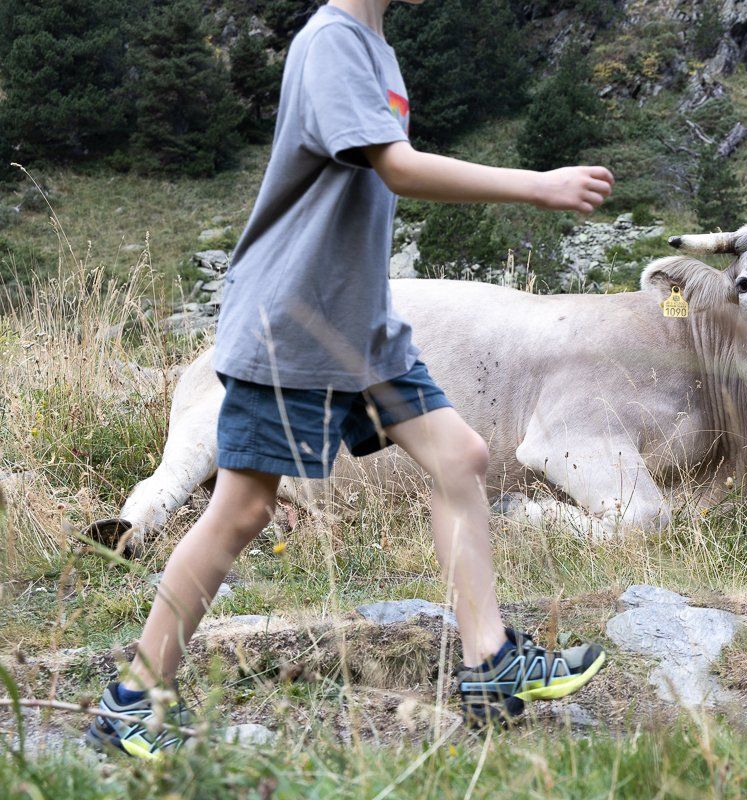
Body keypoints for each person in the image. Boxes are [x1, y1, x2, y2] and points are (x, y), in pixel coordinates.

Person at [86, 0, 614, 759]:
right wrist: (538, 184)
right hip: (293, 324)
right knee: (242, 511)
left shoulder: (374, 46)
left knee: (459, 457)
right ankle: (131, 700)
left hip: (362, 325)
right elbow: (395, 167)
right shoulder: (331, 41)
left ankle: (489, 665)